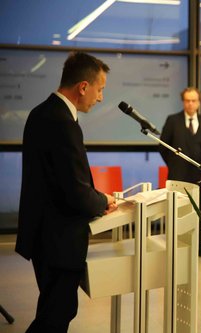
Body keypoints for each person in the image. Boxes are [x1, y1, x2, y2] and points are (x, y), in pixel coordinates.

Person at [15, 52, 117, 333]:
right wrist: (104, 201)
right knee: (56, 315)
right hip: (57, 238)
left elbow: (60, 179)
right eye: (100, 89)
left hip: (44, 234)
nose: (100, 98)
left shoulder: (42, 112)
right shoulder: (62, 123)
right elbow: (74, 191)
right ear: (83, 86)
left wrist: (94, 198)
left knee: (54, 309)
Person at [159, 87, 201, 184]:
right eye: (187, 100)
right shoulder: (172, 120)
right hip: (177, 176)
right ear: (183, 101)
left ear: (199, 102)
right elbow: (163, 146)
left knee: (199, 200)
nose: (190, 104)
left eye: (194, 100)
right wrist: (173, 164)